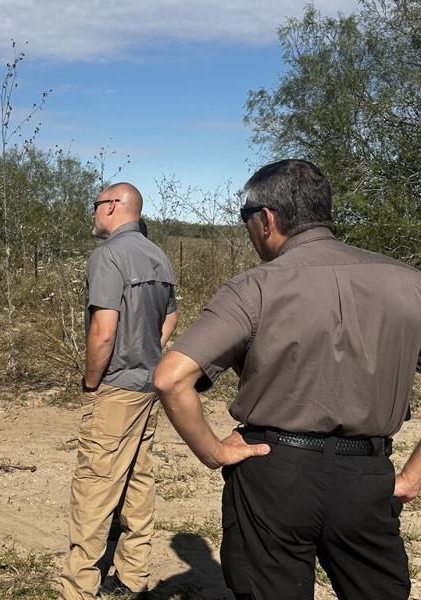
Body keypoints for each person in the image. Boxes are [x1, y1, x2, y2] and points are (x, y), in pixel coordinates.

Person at [153, 159, 421, 600]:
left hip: (272, 472)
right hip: (366, 474)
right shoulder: (408, 283)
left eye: (245, 218)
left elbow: (170, 377)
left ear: (267, 219)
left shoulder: (253, 288)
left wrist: (215, 451)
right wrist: (411, 477)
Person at [60, 183, 179, 600]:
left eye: (96, 206)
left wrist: (92, 382)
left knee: (95, 486)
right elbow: (171, 317)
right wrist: (150, 352)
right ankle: (131, 576)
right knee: (137, 480)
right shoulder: (157, 255)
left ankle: (79, 587)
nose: (93, 214)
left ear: (111, 207)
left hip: (115, 389)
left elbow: (103, 331)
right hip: (149, 388)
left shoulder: (107, 256)